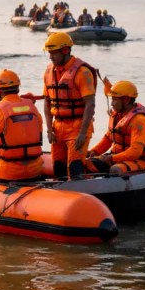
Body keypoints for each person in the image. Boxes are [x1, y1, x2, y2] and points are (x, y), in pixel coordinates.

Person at [42, 32, 97, 179]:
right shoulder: (49, 72)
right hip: (58, 126)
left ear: (65, 51)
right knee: (58, 168)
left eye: (53, 53)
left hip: (78, 126)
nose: (50, 56)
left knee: (74, 168)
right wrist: (49, 129)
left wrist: (83, 132)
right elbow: (47, 103)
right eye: (49, 53)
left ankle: (82, 196)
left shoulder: (82, 72)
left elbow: (90, 104)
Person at [85, 81, 145, 175]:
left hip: (139, 161)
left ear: (126, 100)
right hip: (116, 158)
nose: (112, 104)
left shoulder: (139, 120)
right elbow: (108, 139)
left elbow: (135, 152)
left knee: (115, 170)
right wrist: (93, 151)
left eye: (115, 100)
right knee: (85, 163)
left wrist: (112, 158)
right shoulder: (117, 116)